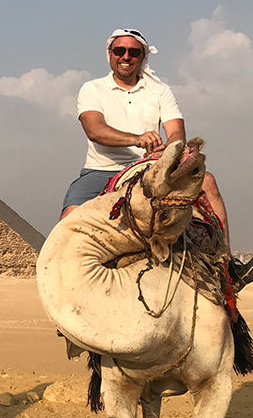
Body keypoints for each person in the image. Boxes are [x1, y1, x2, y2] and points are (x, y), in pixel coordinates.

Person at [61, 28, 252, 288]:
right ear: (109, 54)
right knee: (69, 220)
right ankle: (67, 289)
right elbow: (95, 129)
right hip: (102, 169)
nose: (126, 56)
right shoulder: (93, 89)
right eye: (119, 50)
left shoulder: (159, 90)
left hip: (150, 168)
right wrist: (137, 139)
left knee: (207, 181)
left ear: (142, 57)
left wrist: (171, 150)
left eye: (133, 52)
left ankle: (227, 268)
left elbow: (176, 132)